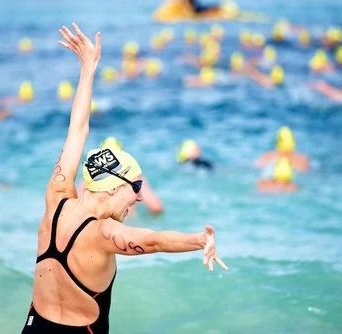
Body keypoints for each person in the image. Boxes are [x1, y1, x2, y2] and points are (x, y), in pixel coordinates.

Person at [22, 23, 227, 334]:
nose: (141, 197)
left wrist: (87, 69)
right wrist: (200, 240)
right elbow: (154, 241)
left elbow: (76, 131)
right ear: (116, 187)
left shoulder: (57, 198)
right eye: (137, 187)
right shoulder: (104, 233)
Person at [77, 137, 164, 216]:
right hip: (127, 224)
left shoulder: (91, 180)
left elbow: (78, 208)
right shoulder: (133, 177)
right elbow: (156, 208)